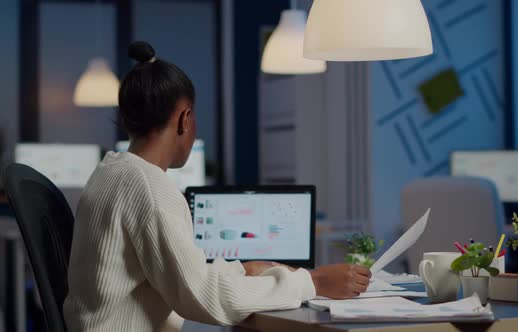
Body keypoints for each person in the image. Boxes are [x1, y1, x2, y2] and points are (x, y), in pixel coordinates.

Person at [63, 41, 371, 332]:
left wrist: (242, 270)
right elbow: (207, 298)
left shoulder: (110, 172)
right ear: (185, 119)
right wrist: (314, 282)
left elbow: (184, 276)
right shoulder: (150, 188)